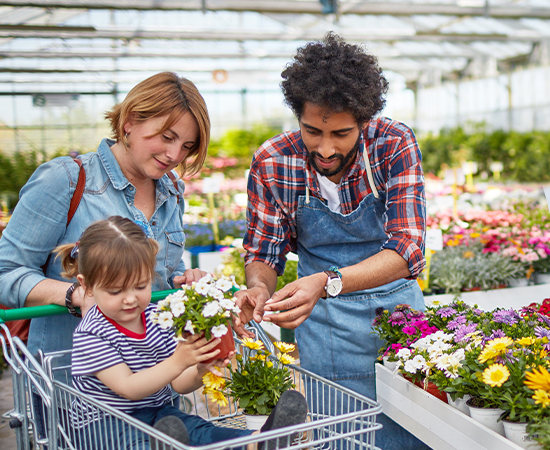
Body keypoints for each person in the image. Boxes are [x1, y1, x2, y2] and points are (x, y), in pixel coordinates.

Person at [234, 33, 429, 450]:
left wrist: (327, 281)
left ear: (364, 118)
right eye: (312, 130)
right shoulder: (273, 161)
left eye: (341, 133)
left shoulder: (392, 144)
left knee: (413, 433)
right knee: (344, 439)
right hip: (326, 331)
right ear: (298, 116)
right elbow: (263, 251)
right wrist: (258, 288)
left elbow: (408, 249)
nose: (325, 148)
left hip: (398, 320)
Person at [0, 72, 210, 365]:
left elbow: (164, 272)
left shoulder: (171, 190)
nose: (175, 154)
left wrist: (186, 280)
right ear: (130, 121)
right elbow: (5, 272)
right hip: (74, 389)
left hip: (155, 378)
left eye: (187, 146)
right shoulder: (67, 181)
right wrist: (76, 294)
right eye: (167, 137)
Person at [56, 216, 307, 450]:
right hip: (104, 424)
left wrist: (200, 369)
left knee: (198, 430)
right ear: (86, 285)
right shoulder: (92, 332)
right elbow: (128, 387)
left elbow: (178, 383)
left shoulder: (157, 318)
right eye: (115, 291)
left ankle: (257, 442)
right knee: (142, 441)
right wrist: (179, 360)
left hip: (159, 413)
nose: (130, 298)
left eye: (141, 286)